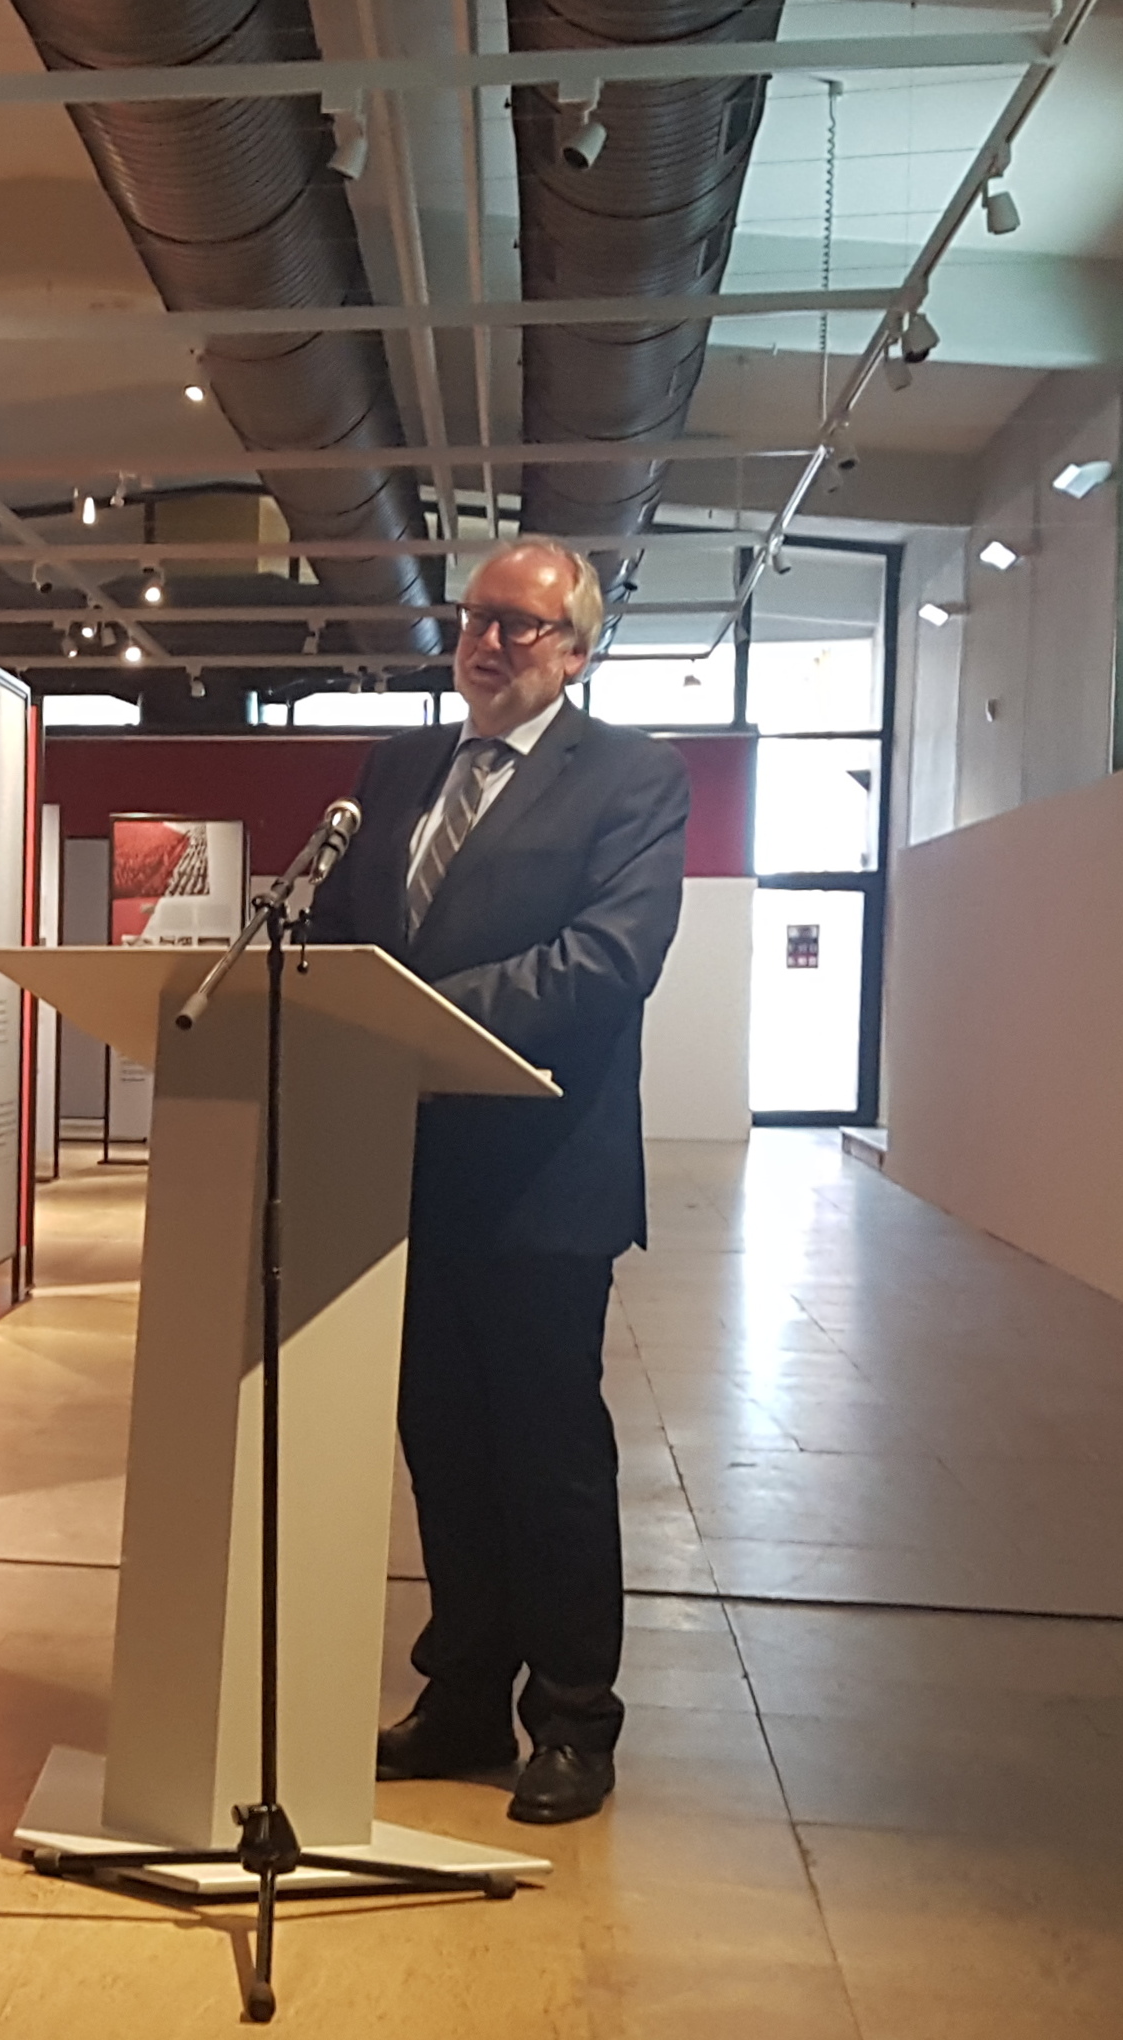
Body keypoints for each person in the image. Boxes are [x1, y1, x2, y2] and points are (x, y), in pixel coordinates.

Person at [302, 535, 690, 1827]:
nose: (486, 641)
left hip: (540, 1184)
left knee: (546, 1458)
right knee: (443, 1454)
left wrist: (411, 1016)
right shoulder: (398, 768)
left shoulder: (630, 779)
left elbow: (605, 962)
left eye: (519, 625)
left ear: (576, 650)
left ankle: (573, 1721)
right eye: (474, 618)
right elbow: (339, 938)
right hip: (396, 1174)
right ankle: (462, 1691)